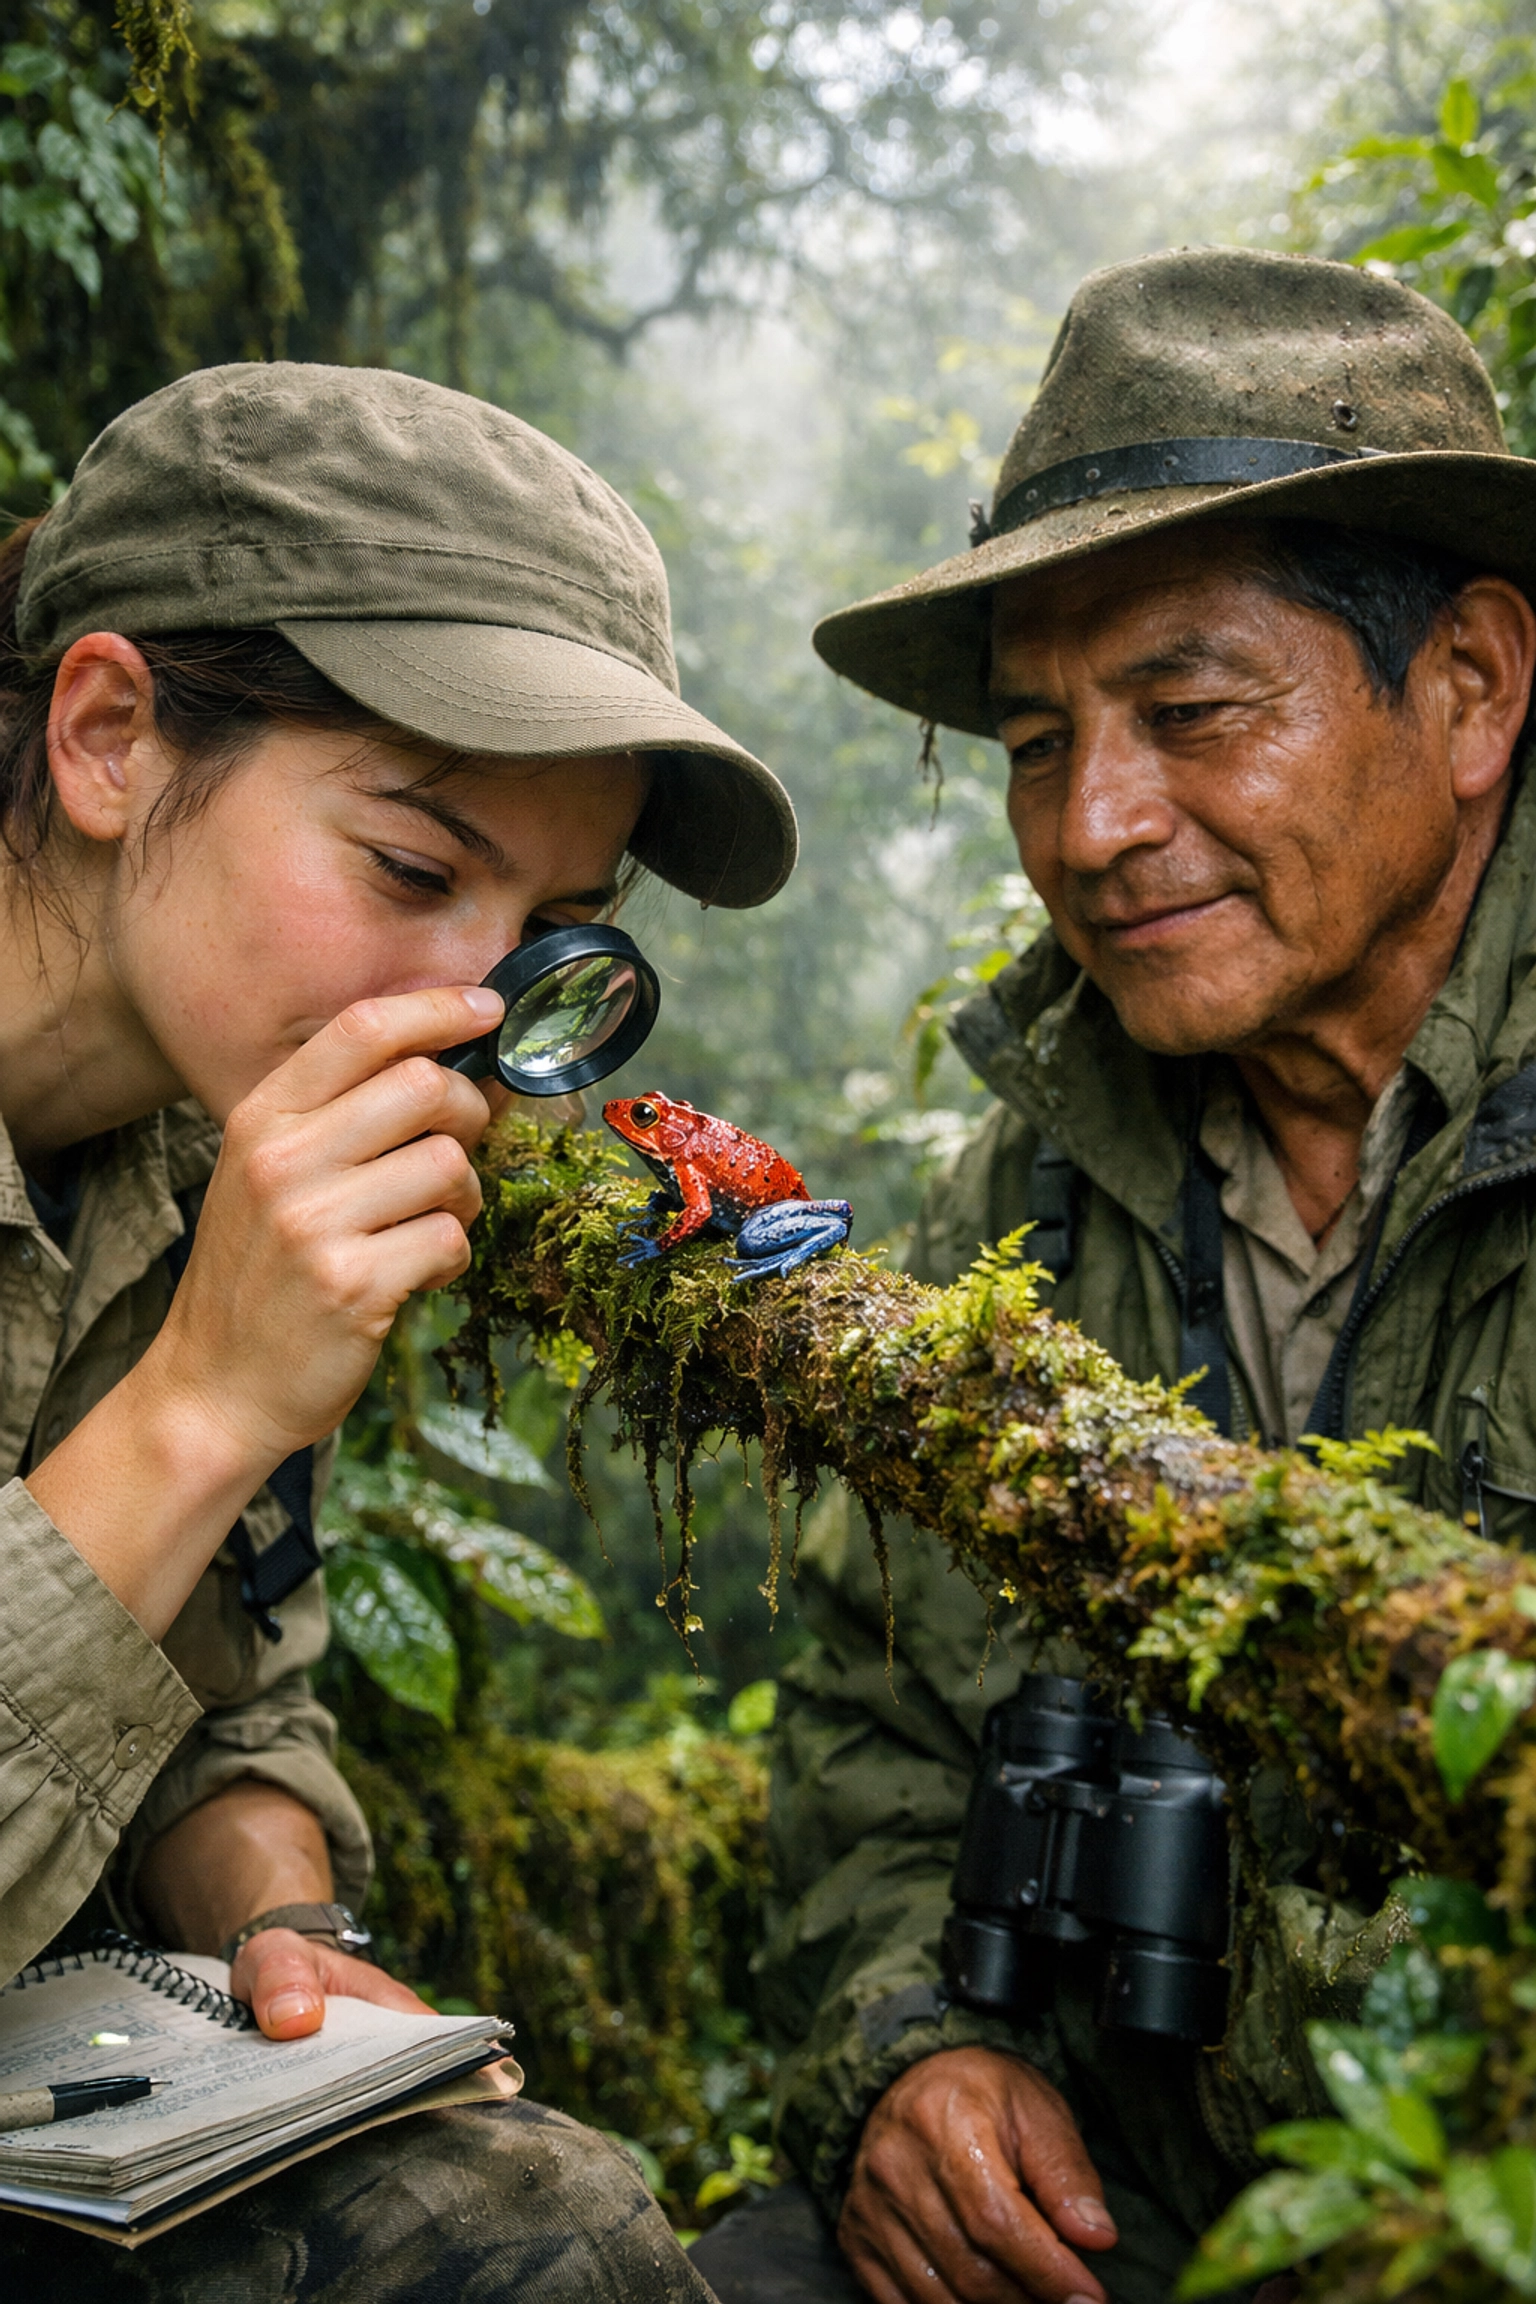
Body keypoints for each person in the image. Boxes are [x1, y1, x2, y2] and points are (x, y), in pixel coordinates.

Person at [690, 247, 1536, 2304]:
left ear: (1472, 690)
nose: (1096, 824)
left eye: (1192, 709)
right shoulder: (1029, 1181)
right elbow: (876, 1729)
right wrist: (917, 2051)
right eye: (1038, 740)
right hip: (1110, 2226)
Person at [0, 357, 796, 2299]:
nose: (475, 1018)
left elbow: (223, 1700)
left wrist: (283, 1917)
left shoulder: (210, 1140)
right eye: (416, 870)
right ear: (108, 736)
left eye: (546, 939)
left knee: (555, 2237)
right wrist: (197, 1400)